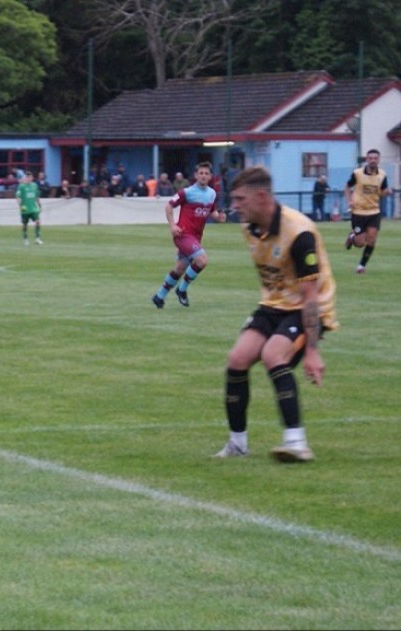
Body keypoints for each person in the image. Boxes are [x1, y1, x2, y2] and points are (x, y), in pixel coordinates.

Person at [215, 166, 337, 463]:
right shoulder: (249, 227)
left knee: (274, 355)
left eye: (240, 199)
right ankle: (237, 444)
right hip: (274, 304)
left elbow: (310, 296)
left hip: (308, 307)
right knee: (237, 359)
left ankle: (297, 442)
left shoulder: (299, 232)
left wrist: (312, 352)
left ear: (261, 197)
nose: (234, 206)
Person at [151, 161, 226, 309]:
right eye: (201, 173)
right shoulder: (187, 192)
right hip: (183, 234)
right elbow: (169, 206)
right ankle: (182, 289)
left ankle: (159, 296)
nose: (203, 176)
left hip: (196, 237)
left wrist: (219, 217)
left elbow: (212, 212)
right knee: (202, 260)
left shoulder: (211, 194)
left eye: (206, 173)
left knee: (180, 268)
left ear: (210, 176)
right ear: (195, 175)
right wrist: (172, 225)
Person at [343, 149, 391, 273]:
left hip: (374, 211)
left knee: (372, 239)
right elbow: (347, 187)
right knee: (360, 243)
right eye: (370, 158)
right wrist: (349, 201)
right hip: (358, 212)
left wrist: (386, 192)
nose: (373, 160)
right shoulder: (357, 174)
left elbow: (382, 192)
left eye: (375, 158)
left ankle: (361, 266)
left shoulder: (382, 175)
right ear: (367, 160)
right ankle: (352, 236)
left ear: (378, 160)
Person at [17, 170, 43, 245]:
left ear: (32, 178)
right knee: (25, 224)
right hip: (25, 209)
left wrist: (39, 204)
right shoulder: (22, 186)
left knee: (38, 222)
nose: (28, 179)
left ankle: (37, 238)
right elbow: (18, 197)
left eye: (30, 177)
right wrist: (20, 205)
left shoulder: (34, 185)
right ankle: (25, 238)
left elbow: (36, 196)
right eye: (27, 177)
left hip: (33, 208)